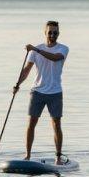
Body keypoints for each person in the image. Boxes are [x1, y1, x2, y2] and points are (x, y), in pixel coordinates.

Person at [14, 20, 70, 164]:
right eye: (50, 32)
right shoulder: (35, 50)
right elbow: (26, 70)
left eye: (55, 32)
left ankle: (58, 157)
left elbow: (55, 58)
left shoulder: (63, 49)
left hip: (55, 92)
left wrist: (35, 49)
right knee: (31, 122)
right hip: (37, 91)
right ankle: (27, 155)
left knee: (56, 123)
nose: (52, 35)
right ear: (45, 33)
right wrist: (17, 84)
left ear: (58, 33)